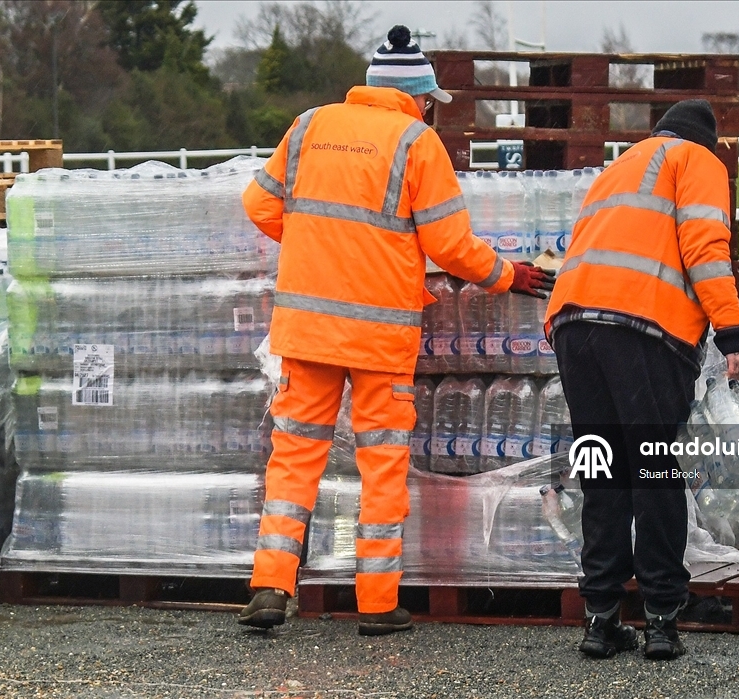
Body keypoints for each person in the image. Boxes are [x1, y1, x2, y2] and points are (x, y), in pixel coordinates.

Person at [237, 25, 553, 636]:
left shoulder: (308, 125)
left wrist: (316, 245)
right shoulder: (417, 142)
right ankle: (378, 604)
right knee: (381, 465)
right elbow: (450, 245)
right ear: (419, 98)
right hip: (380, 337)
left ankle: (271, 586)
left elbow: (259, 205)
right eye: (431, 101)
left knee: (295, 457)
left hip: (306, 328)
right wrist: (507, 275)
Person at [544, 99, 739, 660]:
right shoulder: (698, 161)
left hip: (573, 326)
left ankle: (600, 620)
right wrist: (731, 334)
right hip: (643, 330)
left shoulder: (623, 164)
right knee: (654, 471)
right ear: (706, 141)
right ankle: (661, 620)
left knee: (601, 470)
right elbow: (705, 248)